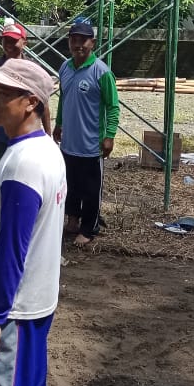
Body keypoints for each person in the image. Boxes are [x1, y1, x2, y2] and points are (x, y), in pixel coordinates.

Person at [0, 58, 66, 386]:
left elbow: (12, 250)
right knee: (30, 385)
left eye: (4, 93)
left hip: (17, 310)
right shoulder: (45, 149)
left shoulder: (23, 166)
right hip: (40, 300)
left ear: (31, 102)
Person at [53, 20, 119, 248]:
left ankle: (89, 228)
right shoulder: (65, 68)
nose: (78, 45)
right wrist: (58, 123)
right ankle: (72, 220)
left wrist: (109, 135)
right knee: (70, 184)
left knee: (91, 190)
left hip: (91, 145)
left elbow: (113, 107)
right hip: (69, 142)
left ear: (93, 43)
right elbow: (63, 98)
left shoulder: (102, 72)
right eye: (74, 40)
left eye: (83, 40)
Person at [0, 23, 53, 167]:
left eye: (13, 41)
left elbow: (44, 103)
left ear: (24, 43)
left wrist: (48, 134)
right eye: (6, 41)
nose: (9, 45)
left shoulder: (32, 69)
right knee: (1, 172)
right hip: (0, 136)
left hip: (24, 136)